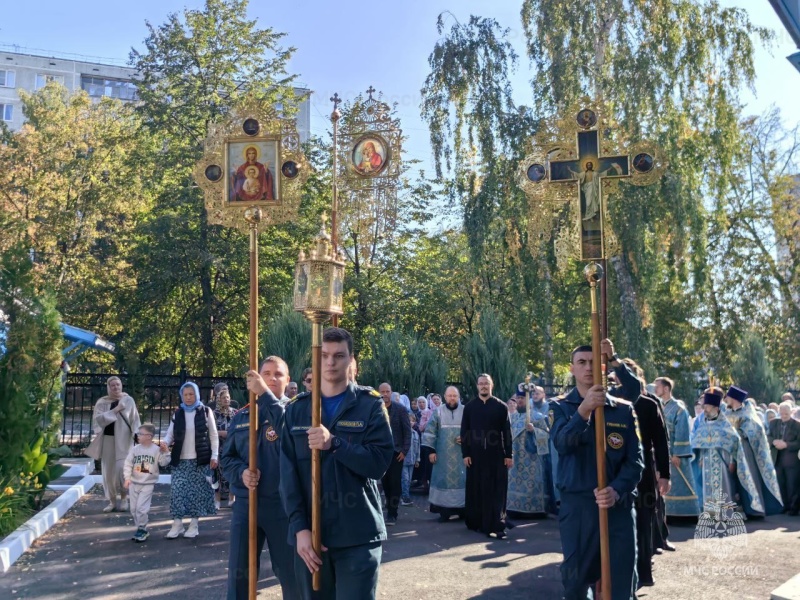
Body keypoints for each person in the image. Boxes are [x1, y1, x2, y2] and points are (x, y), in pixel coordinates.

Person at [280, 327, 394, 600]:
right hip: (311, 539)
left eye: (339, 356)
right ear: (316, 359)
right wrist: (300, 528)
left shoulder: (370, 406)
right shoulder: (297, 409)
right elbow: (288, 475)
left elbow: (378, 464)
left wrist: (336, 444)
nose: (331, 363)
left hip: (357, 535)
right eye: (325, 356)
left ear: (351, 360)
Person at [550, 345, 644, 600]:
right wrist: (584, 411)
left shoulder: (623, 409)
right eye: (581, 362)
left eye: (593, 361)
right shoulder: (559, 407)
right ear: (572, 368)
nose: (588, 367)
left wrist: (616, 489)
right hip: (579, 508)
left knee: (621, 583)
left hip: (618, 508)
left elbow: (636, 461)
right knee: (575, 582)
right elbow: (562, 444)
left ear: (603, 367)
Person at [221, 356, 298, 599]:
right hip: (247, 503)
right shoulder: (242, 416)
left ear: (288, 380)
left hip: (283, 505)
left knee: (291, 574)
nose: (272, 378)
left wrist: (265, 396)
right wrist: (241, 473)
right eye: (266, 373)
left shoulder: (296, 411)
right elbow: (227, 458)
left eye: (278, 374)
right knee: (240, 575)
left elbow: (289, 433)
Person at [691, 388, 762, 516]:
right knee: (709, 485)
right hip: (708, 458)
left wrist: (731, 460)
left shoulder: (726, 417)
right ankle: (711, 511)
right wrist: (701, 458)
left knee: (727, 484)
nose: (704, 408)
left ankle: (729, 510)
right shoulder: (704, 420)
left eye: (706, 405)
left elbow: (732, 440)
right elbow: (699, 440)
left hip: (723, 457)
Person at [162, 382, 219, 538]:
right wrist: (165, 443)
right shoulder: (178, 413)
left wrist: (214, 455)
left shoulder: (206, 412)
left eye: (191, 394)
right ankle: (177, 524)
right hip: (180, 460)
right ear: (182, 396)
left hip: (199, 460)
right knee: (178, 492)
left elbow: (213, 436)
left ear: (197, 395)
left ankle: (194, 525)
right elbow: (170, 434)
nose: (188, 397)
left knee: (197, 494)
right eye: (185, 394)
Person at [461, 374, 513, 539]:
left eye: (486, 384)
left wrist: (508, 454)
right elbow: (465, 432)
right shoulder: (469, 407)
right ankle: (477, 522)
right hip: (475, 456)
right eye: (481, 384)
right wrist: (466, 453)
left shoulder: (501, 406)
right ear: (477, 386)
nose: (484, 386)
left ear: (492, 385)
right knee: (477, 489)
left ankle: (497, 523)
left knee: (497, 489)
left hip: (496, 455)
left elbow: (507, 432)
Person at [724, 385, 783, 515]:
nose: (725, 399)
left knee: (749, 477)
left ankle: (753, 509)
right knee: (730, 479)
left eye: (728, 396)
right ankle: (736, 509)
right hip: (728, 450)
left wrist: (738, 432)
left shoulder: (748, 413)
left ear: (734, 398)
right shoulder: (726, 413)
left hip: (745, 450)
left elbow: (755, 431)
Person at [90, 376, 141, 513]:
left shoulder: (128, 400)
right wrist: (116, 409)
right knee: (109, 471)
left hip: (124, 440)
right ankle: (112, 501)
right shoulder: (102, 402)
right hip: (107, 439)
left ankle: (124, 498)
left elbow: (134, 419)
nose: (116, 387)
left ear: (121, 385)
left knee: (122, 469)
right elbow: (98, 420)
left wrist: (138, 434)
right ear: (108, 387)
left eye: (118, 385)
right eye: (113, 385)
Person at [654, 377, 700, 517]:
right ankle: (669, 513)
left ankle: (686, 514)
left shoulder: (679, 409)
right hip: (663, 452)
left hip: (675, 454)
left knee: (680, 483)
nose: (655, 390)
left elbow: (682, 432)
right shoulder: (659, 406)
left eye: (658, 387)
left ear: (666, 389)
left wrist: (677, 454)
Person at [422, 386, 467, 522]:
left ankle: (463, 511)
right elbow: (430, 432)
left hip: (461, 456)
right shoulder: (438, 412)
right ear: (445, 397)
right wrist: (431, 451)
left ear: (459, 397)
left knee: (462, 481)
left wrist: (466, 438)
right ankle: (444, 512)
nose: (452, 398)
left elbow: (474, 430)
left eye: (455, 396)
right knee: (443, 481)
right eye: (450, 396)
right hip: (442, 456)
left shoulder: (466, 411)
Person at [507, 384, 550, 516]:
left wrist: (534, 430)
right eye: (517, 398)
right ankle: (513, 509)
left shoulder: (538, 417)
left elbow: (547, 434)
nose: (519, 401)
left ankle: (534, 511)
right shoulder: (512, 417)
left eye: (522, 398)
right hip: (515, 457)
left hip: (532, 459)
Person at [123, 423, 171, 542]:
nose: (138, 436)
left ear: (149, 436)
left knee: (141, 508)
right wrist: (127, 478)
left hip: (148, 484)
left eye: (140, 434)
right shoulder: (135, 449)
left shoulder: (156, 450)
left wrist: (166, 452)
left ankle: (142, 528)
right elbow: (128, 464)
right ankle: (140, 528)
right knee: (133, 509)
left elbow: (164, 463)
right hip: (134, 483)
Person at [378, 382, 412, 526]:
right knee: (385, 483)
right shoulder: (375, 409)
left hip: (396, 452)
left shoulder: (400, 409)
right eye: (382, 392)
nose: (385, 394)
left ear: (391, 392)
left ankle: (393, 512)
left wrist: (404, 451)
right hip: (380, 452)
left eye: (387, 391)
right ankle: (389, 504)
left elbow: (407, 432)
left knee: (395, 482)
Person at [768, 402, 800, 515]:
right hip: (777, 457)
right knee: (780, 483)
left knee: (792, 484)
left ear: (791, 412)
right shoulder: (773, 423)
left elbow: (798, 442)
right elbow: (768, 436)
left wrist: (786, 444)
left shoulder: (797, 425)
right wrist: (774, 442)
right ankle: (784, 506)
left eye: (786, 414)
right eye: (781, 414)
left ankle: (793, 508)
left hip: (792, 459)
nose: (784, 416)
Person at [213, 383, 236, 509]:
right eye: (223, 398)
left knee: (232, 472)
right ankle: (217, 500)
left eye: (228, 397)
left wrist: (229, 434)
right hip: (218, 447)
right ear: (219, 400)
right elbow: (210, 430)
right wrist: (220, 433)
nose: (226, 400)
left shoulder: (235, 413)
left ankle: (231, 498)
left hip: (232, 447)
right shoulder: (214, 414)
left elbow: (238, 429)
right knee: (217, 474)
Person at [400, 413, 420, 507]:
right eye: (408, 420)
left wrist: (417, 460)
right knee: (405, 479)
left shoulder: (416, 434)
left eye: (412, 421)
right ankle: (405, 497)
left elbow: (418, 448)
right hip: (403, 460)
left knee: (409, 480)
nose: (410, 422)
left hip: (412, 460)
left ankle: (405, 495)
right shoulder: (402, 433)